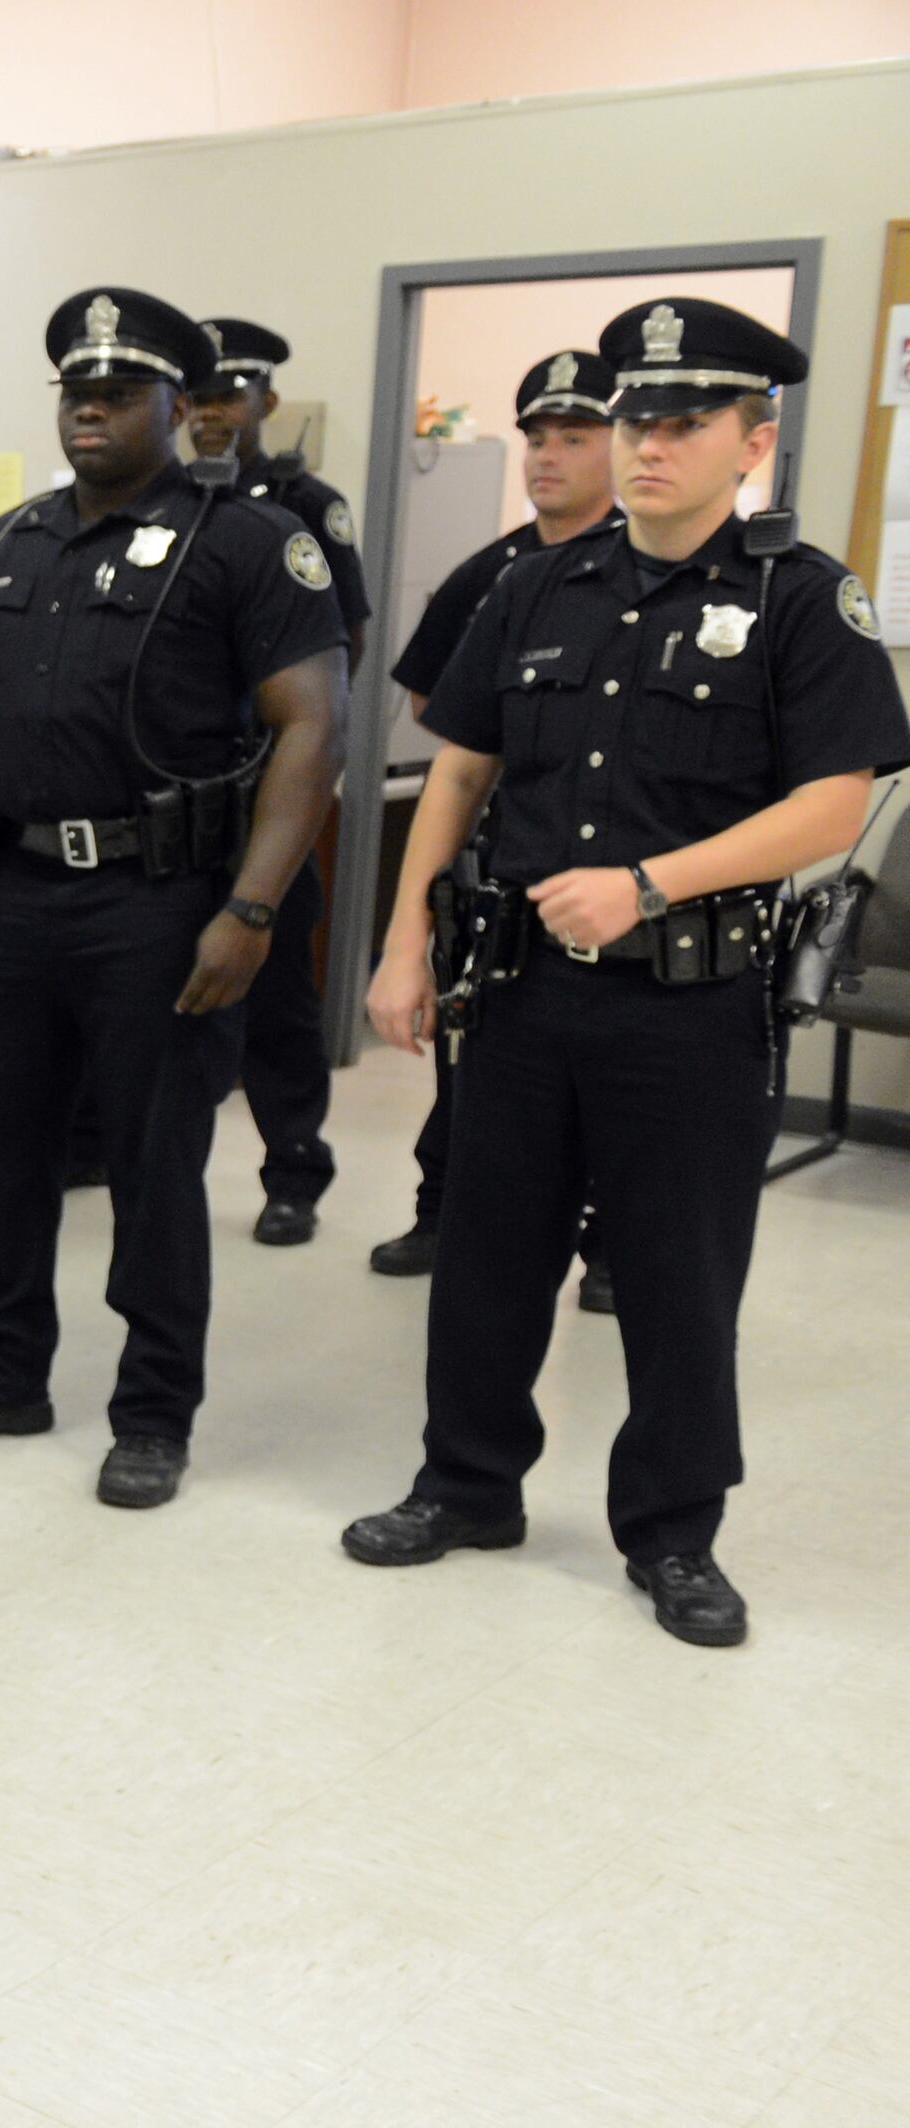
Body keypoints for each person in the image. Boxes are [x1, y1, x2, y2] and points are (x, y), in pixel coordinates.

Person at [344, 296, 906, 1648]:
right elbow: (462, 768)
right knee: (490, 1255)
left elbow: (840, 803)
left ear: (750, 441)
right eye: (632, 419)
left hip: (691, 1004)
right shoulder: (535, 583)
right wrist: (405, 940)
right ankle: (468, 1485)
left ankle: (672, 1536)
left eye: (682, 422)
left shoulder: (799, 599)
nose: (647, 444)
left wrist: (655, 884)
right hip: (523, 991)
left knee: (676, 1277)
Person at [0, 287, 346, 1508]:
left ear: (177, 407)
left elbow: (314, 730)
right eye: (74, 393)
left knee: (150, 1167)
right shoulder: (1, 542)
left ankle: (151, 1412)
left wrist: (249, 911)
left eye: (118, 392)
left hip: (157, 901)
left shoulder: (243, 541)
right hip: (5, 893)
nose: (90, 410)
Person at [369, 348, 624, 1304]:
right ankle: (447, 1211)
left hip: (613, 862)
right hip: (498, 863)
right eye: (537, 439)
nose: (548, 457)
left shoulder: (654, 567)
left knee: (607, 1073)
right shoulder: (493, 574)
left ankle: (607, 1244)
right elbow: (447, 716)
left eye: (575, 436)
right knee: (469, 1056)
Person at [189, 318, 372, 1247]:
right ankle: (100, 1142)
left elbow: (344, 649)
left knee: (277, 998)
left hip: (269, 793)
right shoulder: (161, 499)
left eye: (231, 394)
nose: (214, 413)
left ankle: (292, 1169)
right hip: (173, 796)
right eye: (201, 396)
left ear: (264, 400)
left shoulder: (308, 504)